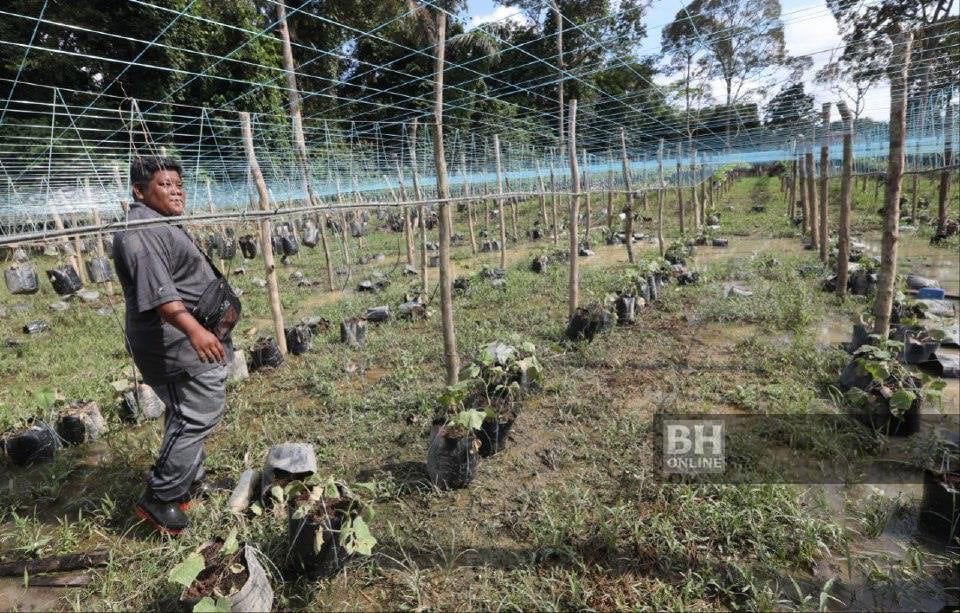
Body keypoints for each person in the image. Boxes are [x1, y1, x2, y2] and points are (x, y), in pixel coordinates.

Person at [113, 156, 235, 535]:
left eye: (179, 184)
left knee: (186, 411)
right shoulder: (141, 232)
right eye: (165, 184)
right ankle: (161, 497)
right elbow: (162, 298)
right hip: (177, 344)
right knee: (196, 412)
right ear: (139, 191)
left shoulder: (157, 223)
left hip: (185, 339)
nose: (176, 189)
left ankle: (188, 482)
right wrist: (197, 332)